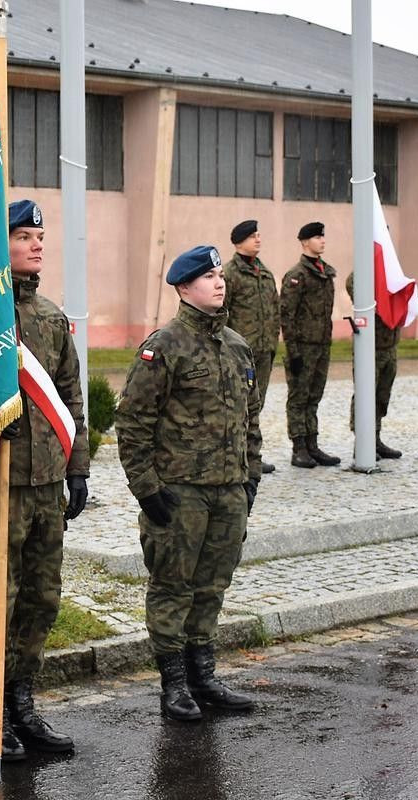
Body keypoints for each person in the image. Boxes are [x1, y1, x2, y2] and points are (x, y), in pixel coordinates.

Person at [0, 199, 89, 761]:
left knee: (42, 599)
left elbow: (71, 397)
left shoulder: (51, 318)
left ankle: (23, 705)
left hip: (45, 485)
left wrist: (78, 468)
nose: (37, 243)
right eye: (22, 235)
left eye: (40, 236)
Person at [116, 244, 261, 721]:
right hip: (181, 493)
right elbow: (134, 421)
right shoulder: (165, 346)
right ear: (183, 288)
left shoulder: (238, 346)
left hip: (228, 491)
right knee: (173, 587)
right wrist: (147, 488)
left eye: (220, 275)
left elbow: (251, 422)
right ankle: (173, 685)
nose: (219, 283)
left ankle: (204, 676)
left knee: (212, 586)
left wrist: (249, 481)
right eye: (207, 277)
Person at [280, 222, 340, 469]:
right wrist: (293, 351)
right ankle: (299, 448)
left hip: (321, 345)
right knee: (298, 398)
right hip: (302, 347)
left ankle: (313, 445)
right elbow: (287, 314)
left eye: (323, 237)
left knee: (314, 397)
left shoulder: (325, 272)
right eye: (317, 237)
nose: (322, 241)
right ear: (305, 242)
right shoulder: (297, 275)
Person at [223, 219, 280, 474]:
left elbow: (274, 311)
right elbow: (221, 314)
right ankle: (235, 455)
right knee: (238, 404)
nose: (258, 239)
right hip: (239, 353)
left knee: (257, 404)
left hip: (264, 351)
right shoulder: (229, 274)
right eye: (253, 236)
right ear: (239, 241)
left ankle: (251, 454)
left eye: (259, 234)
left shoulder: (265, 273)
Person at [346, 272, 403, 459]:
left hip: (389, 344)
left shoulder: (391, 270)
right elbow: (356, 292)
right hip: (370, 346)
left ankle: (375, 438)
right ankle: (362, 442)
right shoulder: (362, 272)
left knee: (381, 395)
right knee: (365, 395)